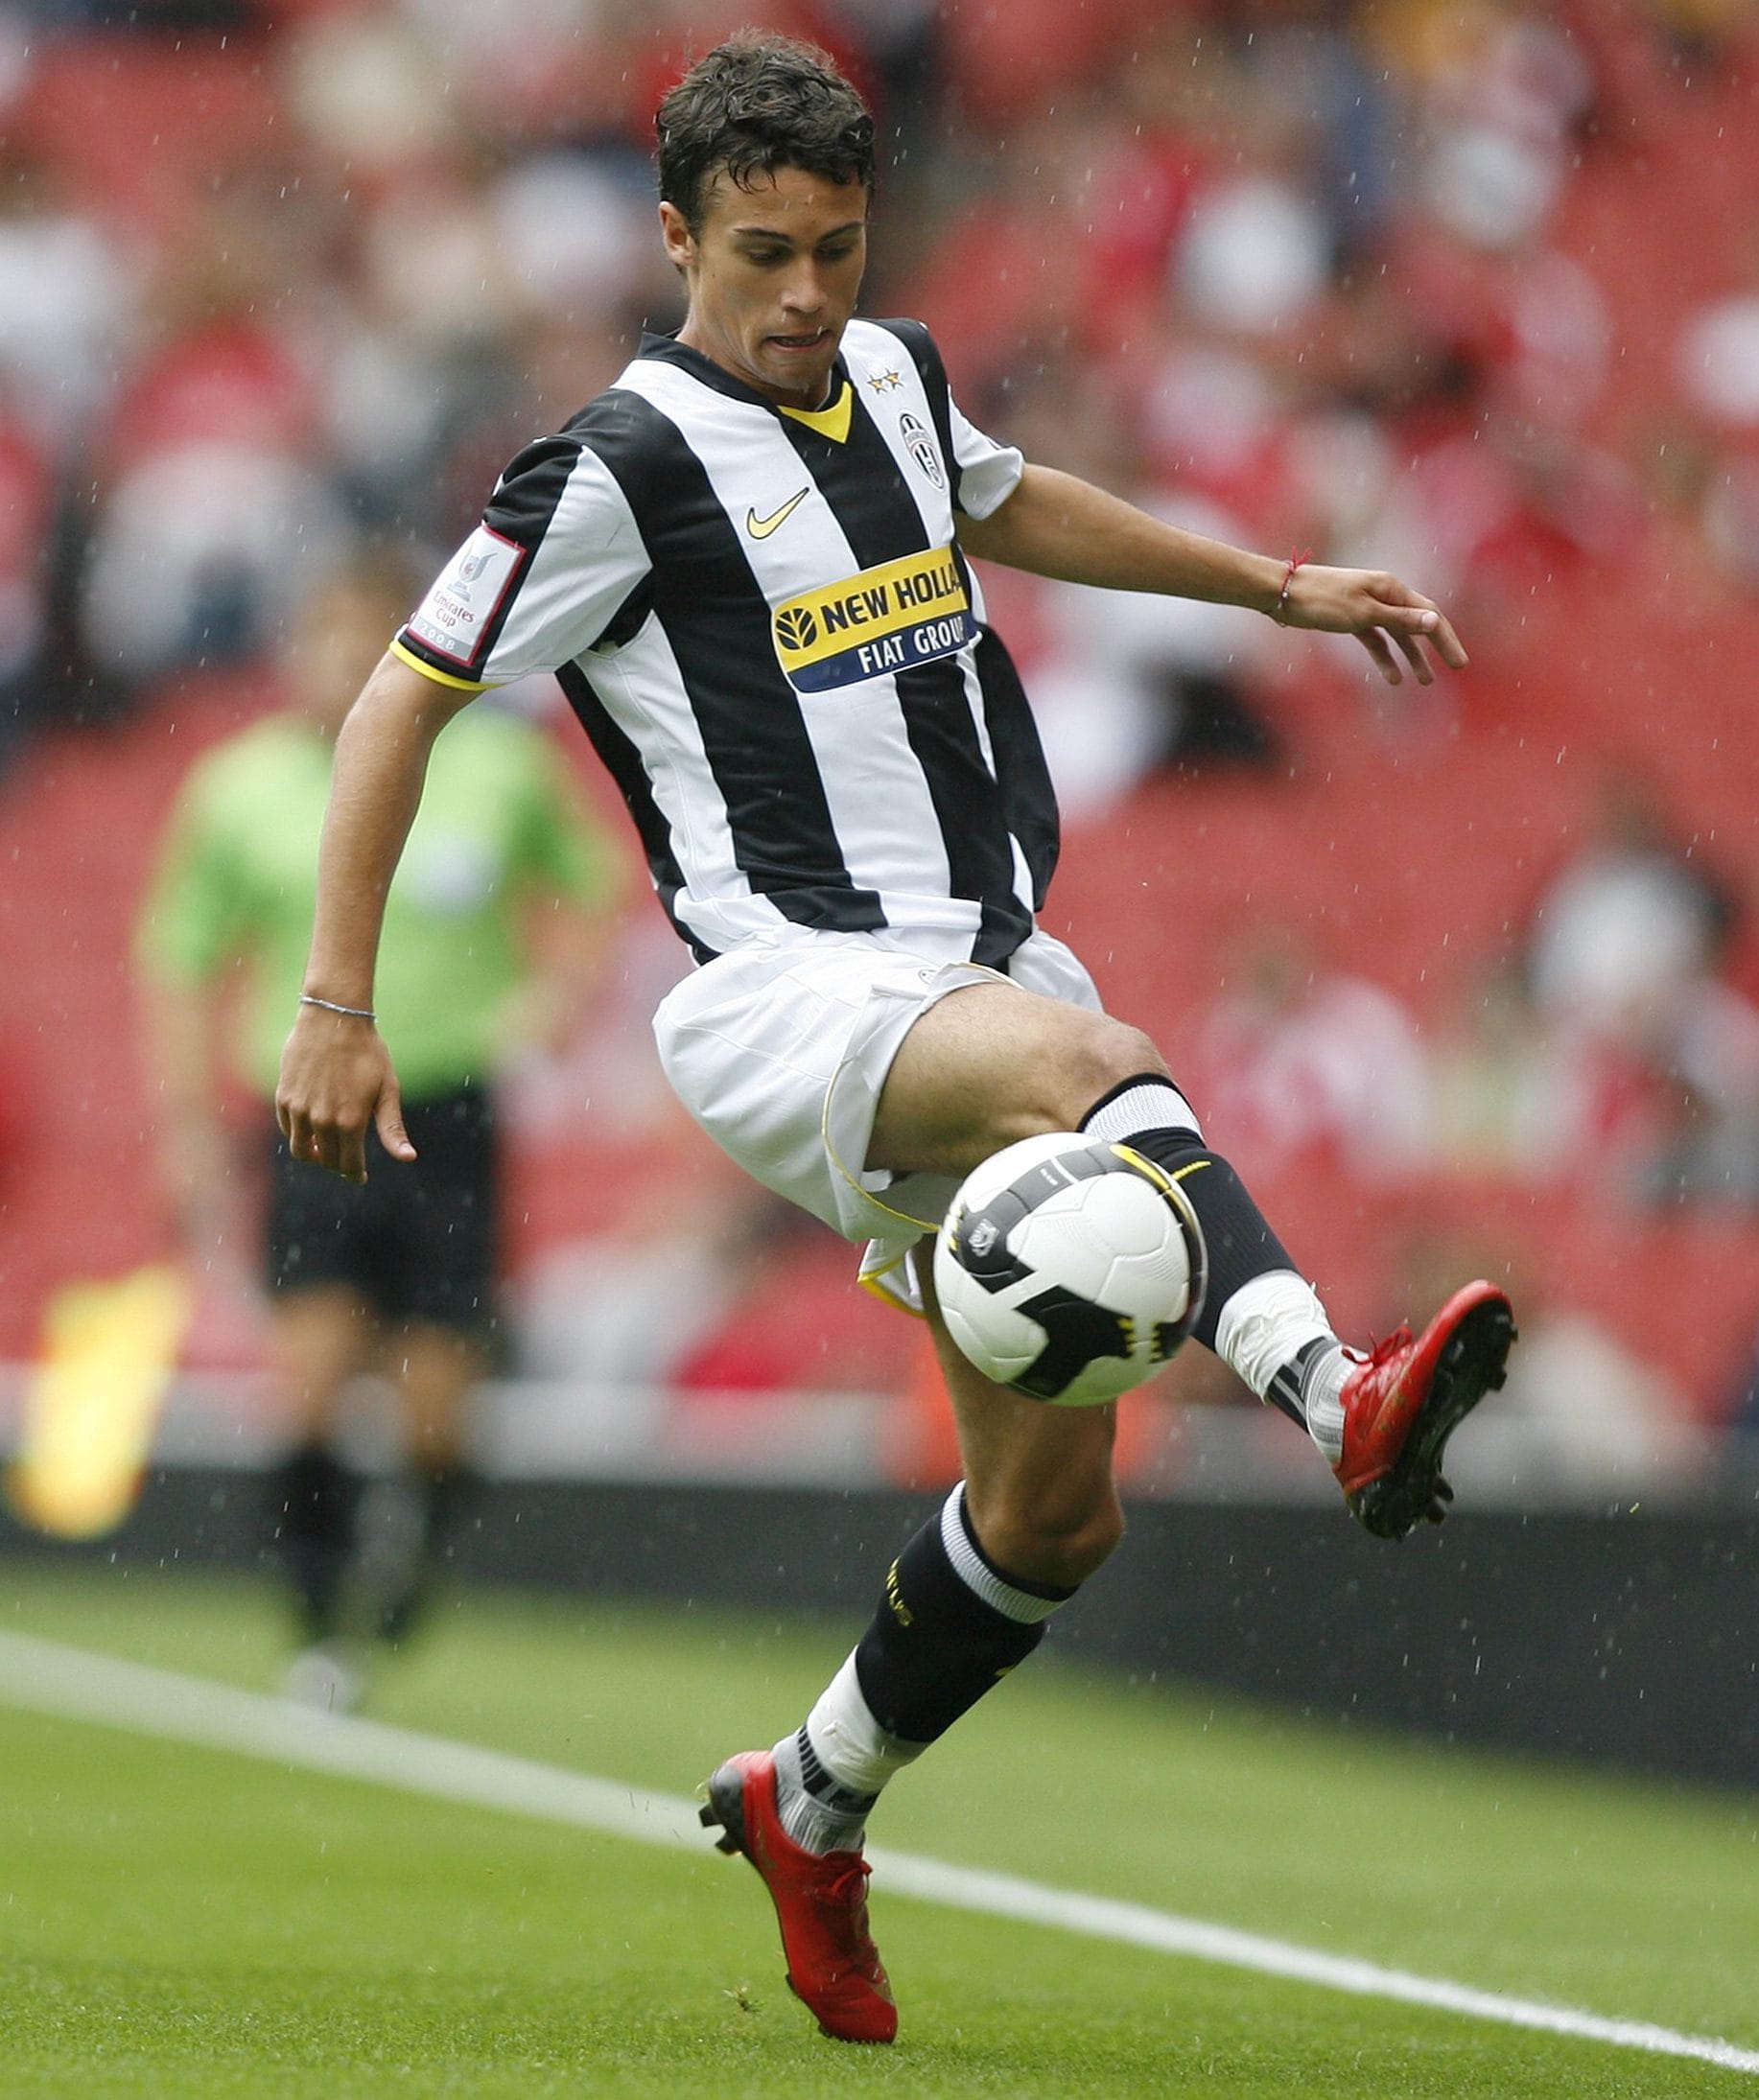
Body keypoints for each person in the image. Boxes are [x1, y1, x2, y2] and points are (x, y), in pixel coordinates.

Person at [273, 33, 1516, 2042]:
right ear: (674, 236)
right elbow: (398, 702)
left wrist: (1269, 585)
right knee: (1075, 1063)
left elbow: (1019, 507)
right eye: (761, 253)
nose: (802, 295)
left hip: (973, 954)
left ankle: (810, 1800)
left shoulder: (900, 379)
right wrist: (335, 1002)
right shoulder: (615, 463)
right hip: (787, 991)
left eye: (835, 249)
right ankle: (1328, 1390)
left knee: (1049, 1517)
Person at [137, 555, 621, 1710]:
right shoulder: (238, 787)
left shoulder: (495, 763)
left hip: (450, 1110)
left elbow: (593, 886)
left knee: (440, 1408)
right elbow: (178, 960)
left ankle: (414, 1558)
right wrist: (186, 1126)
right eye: (326, 642)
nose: (345, 666)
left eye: (370, 642)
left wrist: (554, 997)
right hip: (309, 1113)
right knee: (304, 1383)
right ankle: (316, 1614)